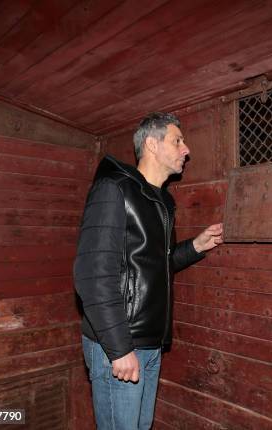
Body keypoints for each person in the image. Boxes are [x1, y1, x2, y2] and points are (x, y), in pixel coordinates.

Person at [73, 112, 223, 429]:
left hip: (148, 345)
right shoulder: (114, 189)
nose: (186, 149)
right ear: (152, 144)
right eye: (177, 140)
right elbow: (93, 275)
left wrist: (195, 246)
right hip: (120, 344)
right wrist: (119, 349)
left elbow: (152, 267)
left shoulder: (161, 202)